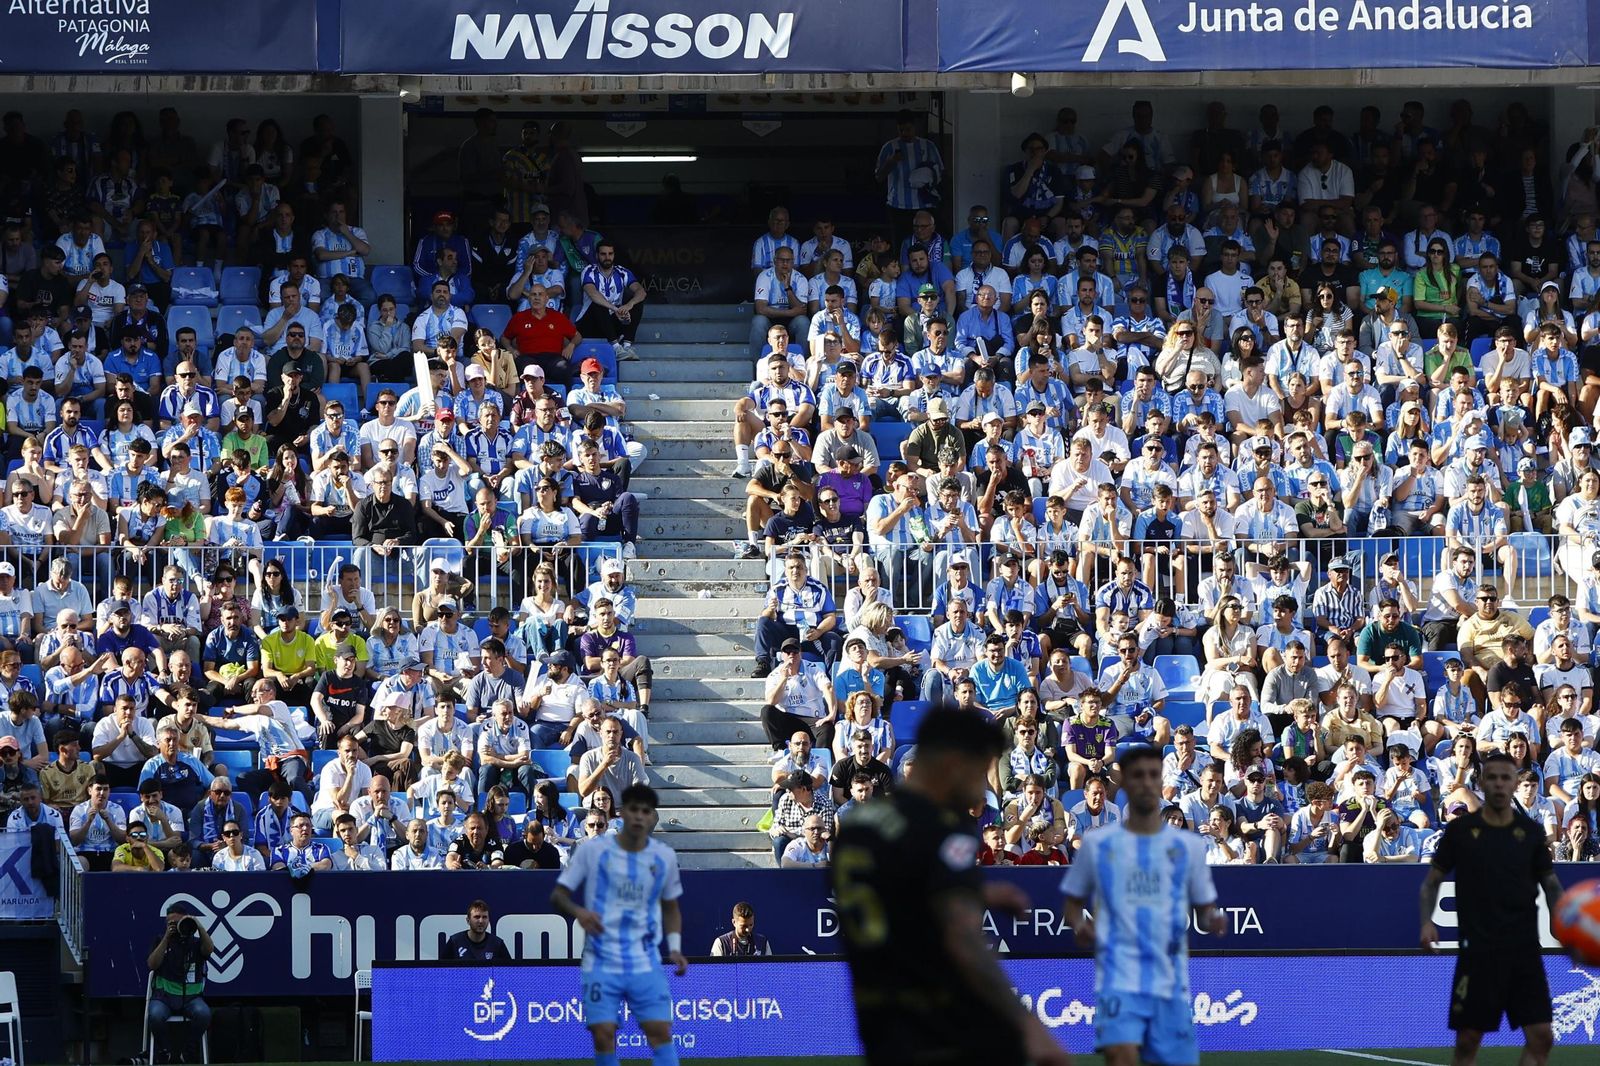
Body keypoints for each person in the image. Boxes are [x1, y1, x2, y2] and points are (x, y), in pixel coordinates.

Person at [832, 710, 1067, 1066]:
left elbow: (900, 893)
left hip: (880, 1020)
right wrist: (1026, 1024)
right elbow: (962, 938)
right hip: (943, 1019)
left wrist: (977, 892)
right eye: (978, 770)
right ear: (953, 762)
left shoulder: (857, 825)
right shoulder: (940, 826)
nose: (980, 787)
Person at [1063, 746, 1225, 1066]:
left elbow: (1206, 911)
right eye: (1139, 775)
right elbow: (1072, 903)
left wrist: (1213, 920)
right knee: (1122, 1056)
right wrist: (1081, 925)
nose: (1147, 783)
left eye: (1154, 775)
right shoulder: (1099, 843)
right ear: (1123, 783)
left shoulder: (1187, 847)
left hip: (1169, 980)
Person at [1421, 753, 1564, 1066]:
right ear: (1482, 782)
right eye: (1493, 777)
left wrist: (1563, 925)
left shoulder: (1531, 832)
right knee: (1468, 1042)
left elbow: (1551, 885)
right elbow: (1431, 882)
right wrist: (1427, 923)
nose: (1499, 783)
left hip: (1524, 950)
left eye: (1505, 777)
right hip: (1479, 952)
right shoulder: (1460, 831)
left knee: (1542, 1036)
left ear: (1514, 783)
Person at [550, 784, 688, 1066]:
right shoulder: (592, 851)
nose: (639, 817)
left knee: (659, 1032)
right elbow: (559, 895)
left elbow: (671, 906)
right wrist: (580, 912)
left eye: (646, 812)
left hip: (643, 956)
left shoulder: (663, 857)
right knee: (603, 1035)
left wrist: (674, 946)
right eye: (634, 810)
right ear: (622, 814)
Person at [146, 903, 213, 1066]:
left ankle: (188, 1052)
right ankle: (165, 1052)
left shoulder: (195, 943)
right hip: (164, 997)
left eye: (177, 923)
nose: (174, 926)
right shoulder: (160, 940)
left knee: (204, 1014)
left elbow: (209, 949)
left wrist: (198, 926)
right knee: (155, 1015)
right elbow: (152, 965)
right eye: (170, 923)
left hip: (191, 997)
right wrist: (166, 939)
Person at [443, 899, 514, 961]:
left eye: (484, 917)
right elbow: (439, 972)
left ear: (489, 920)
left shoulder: (497, 944)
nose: (481, 921)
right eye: (477, 917)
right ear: (468, 920)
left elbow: (509, 972)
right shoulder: (455, 942)